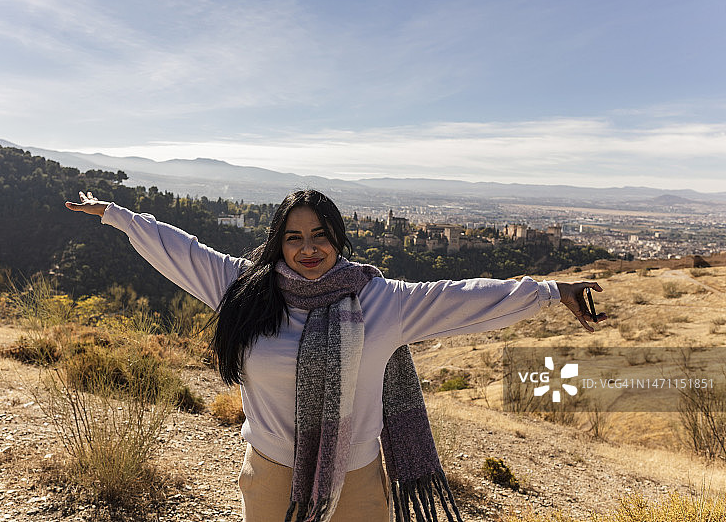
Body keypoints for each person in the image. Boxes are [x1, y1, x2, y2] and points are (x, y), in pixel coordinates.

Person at [65, 189, 605, 522]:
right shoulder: (245, 288)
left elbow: (464, 297)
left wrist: (551, 291)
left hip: (357, 481)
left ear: (338, 240)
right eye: (294, 236)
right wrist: (116, 215)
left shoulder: (381, 301)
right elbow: (178, 248)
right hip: (272, 476)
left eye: (320, 235)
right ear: (278, 241)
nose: (307, 248)